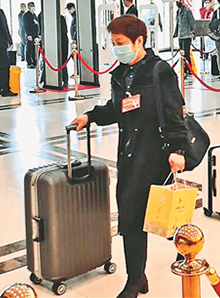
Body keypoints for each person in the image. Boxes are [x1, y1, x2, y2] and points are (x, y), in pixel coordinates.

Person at [70, 16, 190, 298]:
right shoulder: (121, 74)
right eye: (113, 43)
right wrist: (90, 116)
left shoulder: (160, 71)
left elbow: (174, 112)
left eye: (121, 42)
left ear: (139, 41)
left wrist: (178, 150)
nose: (116, 48)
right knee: (131, 215)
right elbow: (117, 109)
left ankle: (186, 247)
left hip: (157, 155)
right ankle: (136, 278)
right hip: (130, 155)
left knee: (162, 214)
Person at [173, 0, 195, 74]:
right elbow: (177, 23)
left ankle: (189, 68)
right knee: (182, 53)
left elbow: (192, 22)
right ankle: (184, 68)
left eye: (179, 1)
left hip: (187, 35)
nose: (178, 3)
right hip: (180, 35)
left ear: (182, 2)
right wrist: (175, 33)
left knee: (186, 53)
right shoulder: (178, 12)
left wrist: (193, 32)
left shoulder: (187, 11)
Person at [24, 2, 39, 68]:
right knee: (29, 49)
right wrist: (28, 34)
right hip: (30, 35)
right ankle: (29, 62)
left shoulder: (34, 15)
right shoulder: (26, 15)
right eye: (31, 6)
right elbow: (26, 25)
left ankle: (34, 61)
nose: (33, 7)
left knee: (34, 49)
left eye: (33, 5)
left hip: (35, 34)